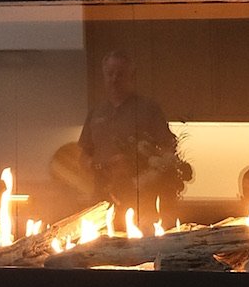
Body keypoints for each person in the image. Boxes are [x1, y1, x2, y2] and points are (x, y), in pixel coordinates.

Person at [77, 50, 190, 221]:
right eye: (110, 74)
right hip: (102, 197)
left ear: (131, 76)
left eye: (120, 74)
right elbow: (84, 154)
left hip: (139, 197)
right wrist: (95, 165)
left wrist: (144, 173)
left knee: (141, 235)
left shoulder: (148, 109)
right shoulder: (96, 112)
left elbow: (167, 148)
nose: (114, 79)